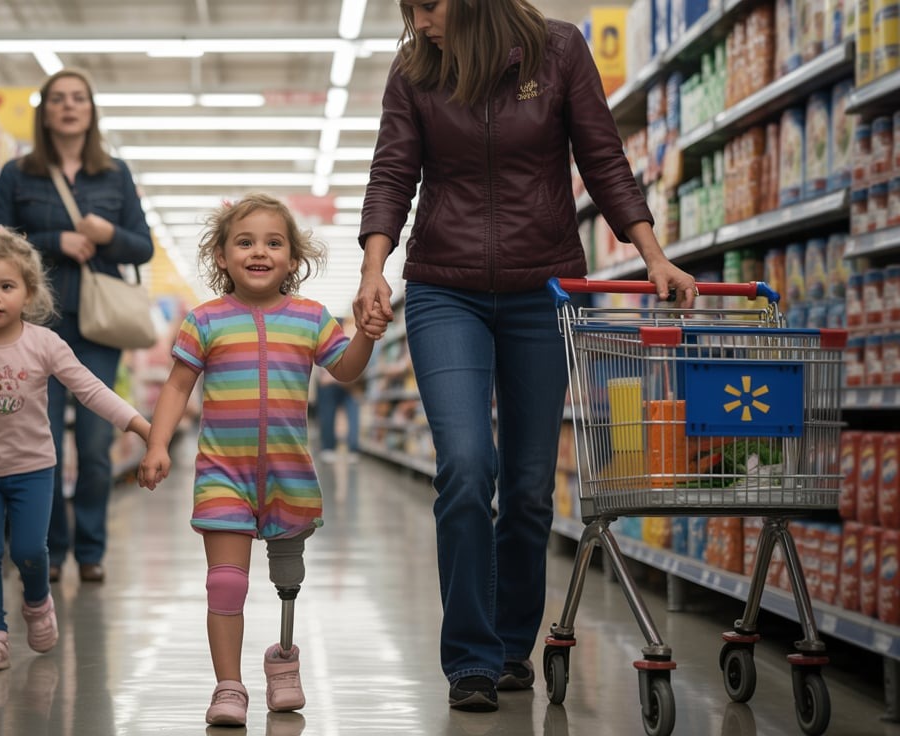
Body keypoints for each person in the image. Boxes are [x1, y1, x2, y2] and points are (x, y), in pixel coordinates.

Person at [354, 0, 698, 713]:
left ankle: (512, 646)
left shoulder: (559, 50)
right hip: (444, 288)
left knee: (531, 484)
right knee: (465, 464)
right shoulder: (415, 67)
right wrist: (373, 269)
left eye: (428, 6)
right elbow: (393, 171)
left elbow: (603, 158)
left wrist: (654, 255)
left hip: (542, 288)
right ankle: (470, 659)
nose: (418, 22)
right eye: (408, 8)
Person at [137, 193, 384, 727]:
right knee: (225, 582)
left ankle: (284, 658)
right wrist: (157, 444)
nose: (259, 252)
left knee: (288, 578)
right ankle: (228, 685)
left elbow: (346, 371)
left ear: (293, 259)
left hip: (290, 475)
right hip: (223, 474)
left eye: (274, 243)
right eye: (244, 242)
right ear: (221, 256)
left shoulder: (312, 318)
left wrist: (365, 333)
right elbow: (177, 387)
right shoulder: (204, 321)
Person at [0, 227, 151, 672]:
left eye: (6, 286)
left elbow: (91, 390)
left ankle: (38, 603)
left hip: (33, 469)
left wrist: (138, 425)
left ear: (29, 291)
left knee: (29, 550)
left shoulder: (44, 344)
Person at [0, 68, 155, 585]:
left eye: (78, 98)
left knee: (97, 447)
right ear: (45, 112)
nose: (68, 106)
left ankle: (91, 550)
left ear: (90, 110)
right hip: (36, 325)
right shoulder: (17, 174)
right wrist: (53, 242)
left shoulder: (115, 175)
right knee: (42, 447)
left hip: (98, 329)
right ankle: (50, 551)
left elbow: (142, 247)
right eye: (58, 99)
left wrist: (107, 234)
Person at [316, 317, 364, 463]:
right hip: (336, 387)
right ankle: (329, 447)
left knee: (351, 410)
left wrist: (339, 378)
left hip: (348, 386)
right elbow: (322, 378)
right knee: (329, 413)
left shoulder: (346, 342)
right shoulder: (324, 344)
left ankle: (351, 448)